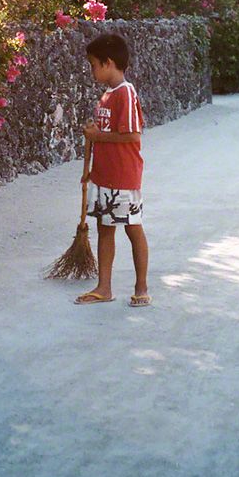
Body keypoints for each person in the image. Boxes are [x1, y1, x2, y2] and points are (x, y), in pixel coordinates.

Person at [74, 32, 150, 308]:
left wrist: (96, 137)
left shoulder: (125, 93)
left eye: (93, 64)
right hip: (104, 176)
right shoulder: (106, 95)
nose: (92, 70)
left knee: (132, 228)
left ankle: (141, 287)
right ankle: (104, 287)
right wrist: (91, 170)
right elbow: (105, 133)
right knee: (105, 229)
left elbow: (132, 135)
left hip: (124, 177)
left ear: (108, 63)